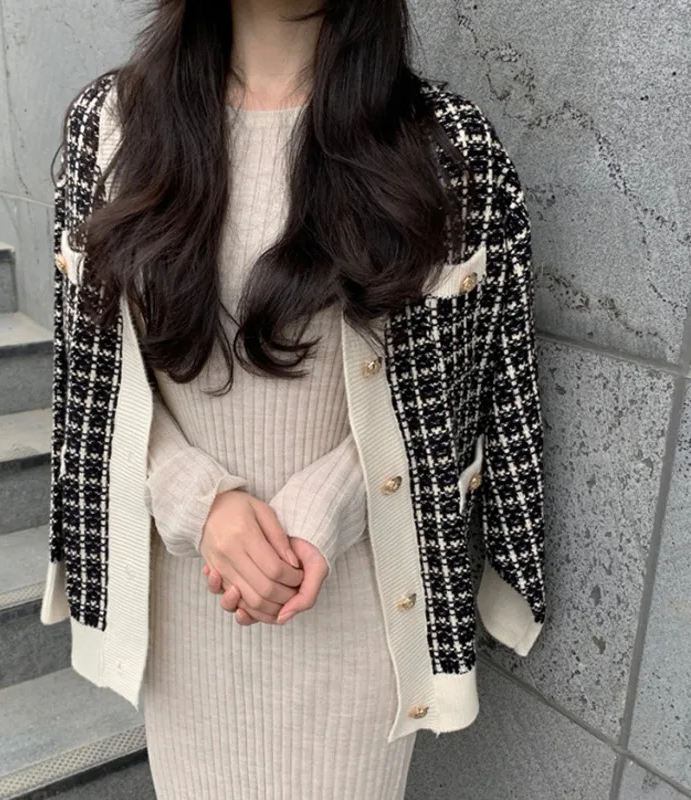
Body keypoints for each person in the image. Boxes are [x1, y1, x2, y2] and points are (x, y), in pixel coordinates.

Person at [43, 0, 547, 797]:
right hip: (188, 608)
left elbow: (461, 385)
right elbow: (92, 370)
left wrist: (325, 506)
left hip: (359, 608)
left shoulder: (446, 144)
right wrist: (195, 498)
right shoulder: (109, 127)